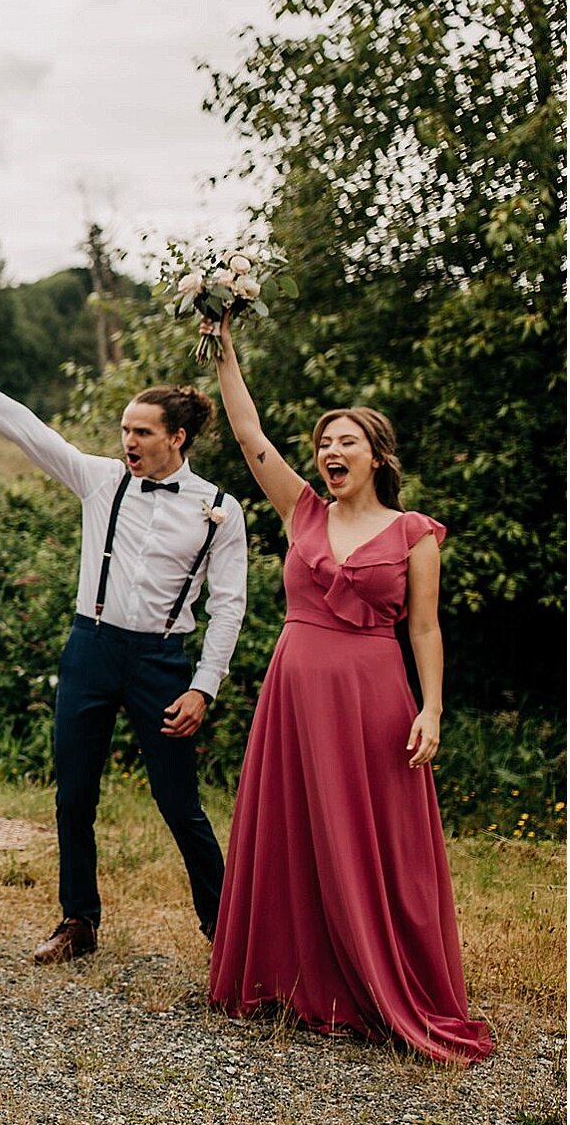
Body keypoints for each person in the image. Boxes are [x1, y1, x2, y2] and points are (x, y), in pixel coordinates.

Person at [203, 316, 492, 1064]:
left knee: (376, 842)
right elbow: (247, 434)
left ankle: (381, 979)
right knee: (294, 830)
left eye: (346, 443)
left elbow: (424, 630)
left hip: (371, 695)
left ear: (375, 457)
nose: (330, 452)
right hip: (296, 689)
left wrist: (431, 707)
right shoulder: (302, 510)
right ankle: (291, 978)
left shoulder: (414, 533)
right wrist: (224, 348)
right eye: (325, 443)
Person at [0, 307, 245, 964]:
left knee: (179, 801)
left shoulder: (218, 507)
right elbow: (32, 433)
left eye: (142, 431)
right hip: (91, 647)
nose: (128, 440)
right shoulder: (102, 479)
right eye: (124, 429)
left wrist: (204, 686)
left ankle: (226, 929)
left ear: (180, 437)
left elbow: (230, 604)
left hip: (163, 661)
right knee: (74, 790)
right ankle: (78, 920)